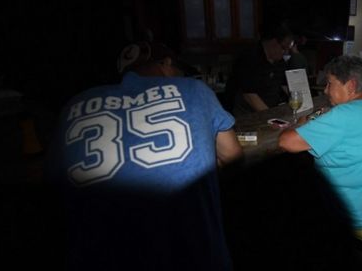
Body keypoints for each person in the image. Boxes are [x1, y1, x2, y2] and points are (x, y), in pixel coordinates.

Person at [47, 40, 243, 270]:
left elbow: (53, 187)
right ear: (166, 64)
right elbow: (233, 156)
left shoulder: (74, 104)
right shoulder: (194, 89)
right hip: (194, 256)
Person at [278, 55, 362, 229]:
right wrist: (319, 116)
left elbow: (285, 142)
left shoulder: (343, 116)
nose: (325, 90)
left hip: (361, 213)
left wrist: (303, 120)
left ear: (351, 85)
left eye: (330, 83)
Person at [226, 23, 294, 115]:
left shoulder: (280, 62)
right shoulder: (250, 58)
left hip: (268, 111)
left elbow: (284, 84)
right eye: (283, 48)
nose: (285, 52)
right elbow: (249, 94)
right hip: (246, 115)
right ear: (273, 42)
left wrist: (296, 99)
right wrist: (270, 116)